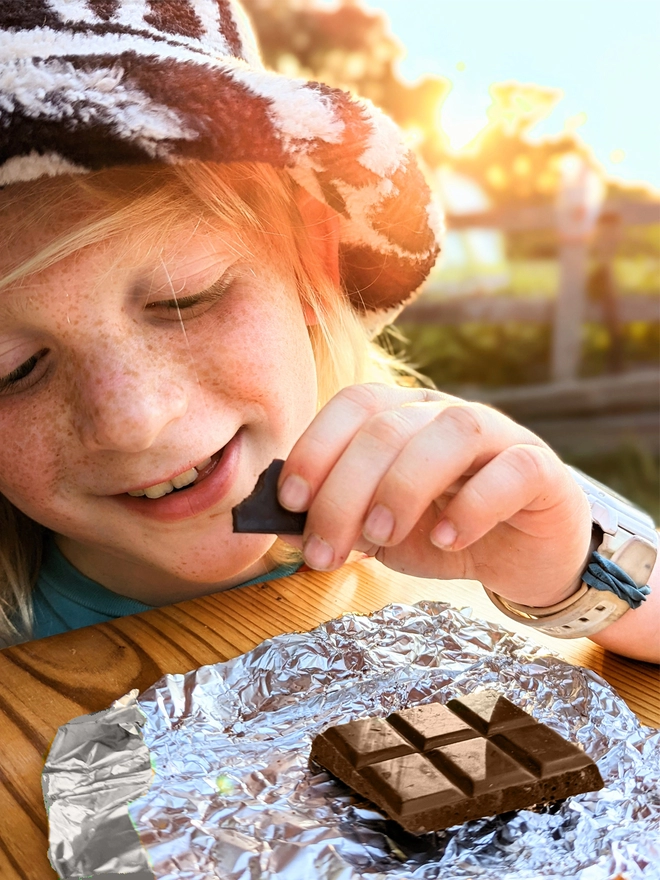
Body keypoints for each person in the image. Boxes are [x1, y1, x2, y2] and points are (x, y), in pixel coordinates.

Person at [0, 1, 657, 661]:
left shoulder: (460, 488)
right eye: (15, 368)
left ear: (307, 258)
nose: (134, 420)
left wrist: (568, 578)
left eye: (186, 298)